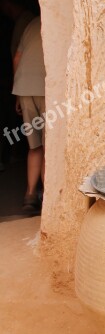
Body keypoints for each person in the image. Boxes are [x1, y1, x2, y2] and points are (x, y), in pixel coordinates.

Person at [12, 16, 45, 212]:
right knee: (49, 148)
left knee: (34, 146)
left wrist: (17, 93)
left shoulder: (30, 24)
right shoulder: (60, 20)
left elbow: (17, 57)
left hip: (24, 89)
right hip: (46, 88)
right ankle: (48, 199)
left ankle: (30, 195)